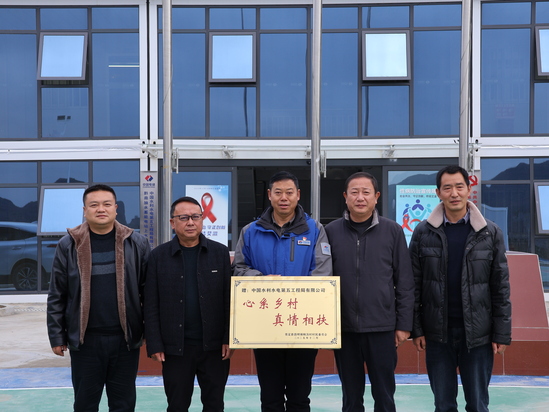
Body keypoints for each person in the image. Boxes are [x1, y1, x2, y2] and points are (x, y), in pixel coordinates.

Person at [410, 165, 512, 412]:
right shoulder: (423, 232)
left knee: (477, 404)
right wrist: (416, 328)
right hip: (437, 334)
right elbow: (413, 284)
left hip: (478, 335)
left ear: (468, 189)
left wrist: (501, 333)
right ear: (438, 193)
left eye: (459, 187)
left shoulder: (489, 232)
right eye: (447, 188)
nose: (454, 193)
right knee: (443, 404)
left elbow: (500, 287)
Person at [233, 171, 333, 412]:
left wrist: (295, 294)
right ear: (269, 195)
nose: (284, 198)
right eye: (278, 192)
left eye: (289, 192)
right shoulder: (250, 231)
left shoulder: (314, 230)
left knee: (300, 397)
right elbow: (239, 269)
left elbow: (322, 273)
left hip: (303, 326)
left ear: (298, 195)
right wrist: (262, 280)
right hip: (265, 325)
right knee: (270, 397)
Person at [47, 184, 150, 412]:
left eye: (106, 204)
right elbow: (57, 294)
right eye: (94, 205)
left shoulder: (136, 243)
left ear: (115, 208)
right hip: (85, 342)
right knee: (85, 404)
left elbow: (148, 293)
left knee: (123, 405)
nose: (100, 209)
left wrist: (149, 333)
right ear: (85, 211)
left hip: (125, 340)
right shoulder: (69, 244)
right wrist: (56, 335)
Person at [325, 172, 414, 412]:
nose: (360, 197)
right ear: (345, 197)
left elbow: (405, 282)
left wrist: (404, 325)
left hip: (382, 328)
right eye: (354, 192)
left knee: (384, 395)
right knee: (351, 397)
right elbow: (322, 278)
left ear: (376, 197)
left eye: (366, 192)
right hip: (344, 329)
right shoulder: (330, 232)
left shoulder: (393, 231)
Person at [144, 196, 232, 412]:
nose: (190, 222)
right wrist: (155, 343)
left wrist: (228, 338)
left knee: (214, 404)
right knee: (177, 405)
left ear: (202, 220)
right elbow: (150, 303)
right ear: (172, 223)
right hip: (176, 348)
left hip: (214, 347)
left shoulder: (220, 253)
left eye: (196, 217)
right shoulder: (158, 256)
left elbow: (229, 300)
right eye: (183, 218)